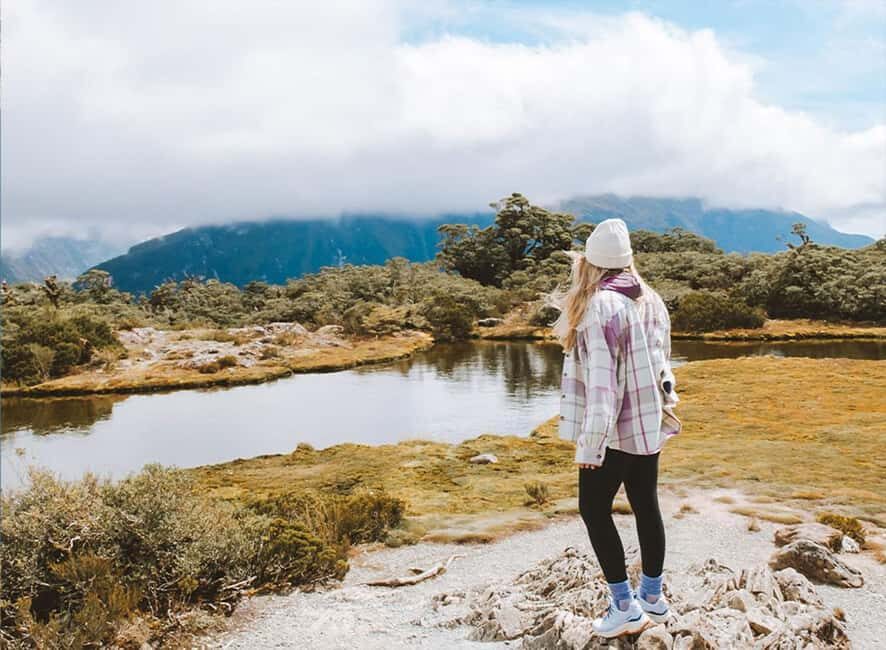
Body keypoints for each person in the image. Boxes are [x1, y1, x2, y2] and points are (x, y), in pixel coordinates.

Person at [551, 218, 682, 638]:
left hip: (613, 433)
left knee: (593, 510)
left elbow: (602, 388)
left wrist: (591, 446)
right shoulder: (650, 299)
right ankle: (654, 598)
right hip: (645, 424)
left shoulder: (599, 307)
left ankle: (623, 606)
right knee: (646, 503)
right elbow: (662, 365)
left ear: (590, 264)